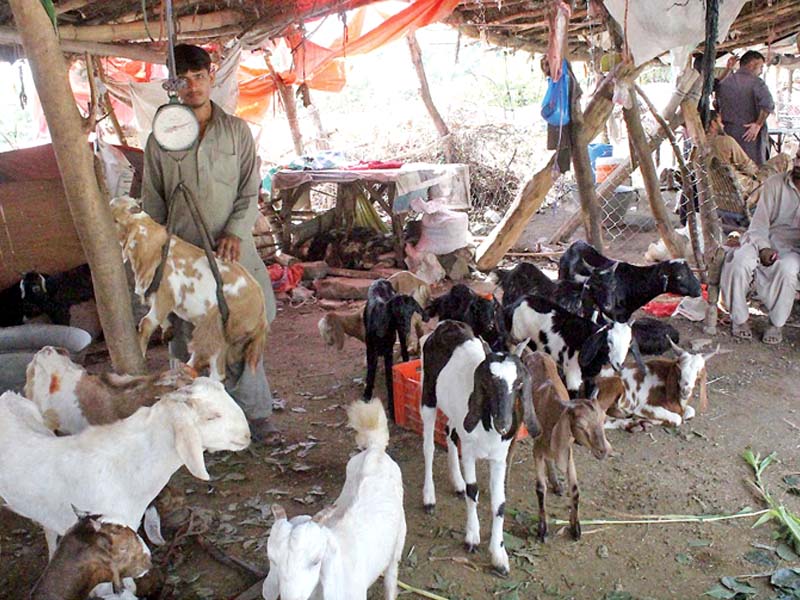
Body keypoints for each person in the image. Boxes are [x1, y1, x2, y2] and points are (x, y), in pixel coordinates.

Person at [141, 44, 279, 440]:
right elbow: (153, 204)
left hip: (234, 255)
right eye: (182, 80)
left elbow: (249, 191)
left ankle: (254, 413)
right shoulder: (161, 140)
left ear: (212, 77)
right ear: (171, 85)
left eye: (199, 77)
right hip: (185, 261)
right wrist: (159, 264)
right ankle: (199, 420)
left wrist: (235, 230)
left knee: (250, 323)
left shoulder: (237, 132)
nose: (192, 87)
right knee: (190, 337)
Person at [720, 146, 800, 344]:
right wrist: (764, 247)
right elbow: (759, 225)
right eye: (798, 157)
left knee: (788, 268)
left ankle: (776, 323)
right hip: (764, 236)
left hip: (795, 247)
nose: (798, 164)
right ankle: (739, 319)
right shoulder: (775, 183)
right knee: (739, 261)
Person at [706, 110, 789, 201]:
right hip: (750, 192)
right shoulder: (724, 142)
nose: (723, 125)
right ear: (713, 123)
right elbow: (749, 168)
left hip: (721, 197)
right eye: (720, 122)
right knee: (785, 159)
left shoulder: (698, 148)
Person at [715, 50, 775, 166]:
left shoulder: (724, 83)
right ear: (752, 65)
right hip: (750, 136)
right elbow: (768, 105)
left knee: (732, 171)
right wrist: (758, 124)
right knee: (753, 172)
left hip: (729, 134)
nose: (761, 71)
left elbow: (717, 105)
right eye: (760, 66)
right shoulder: (757, 82)